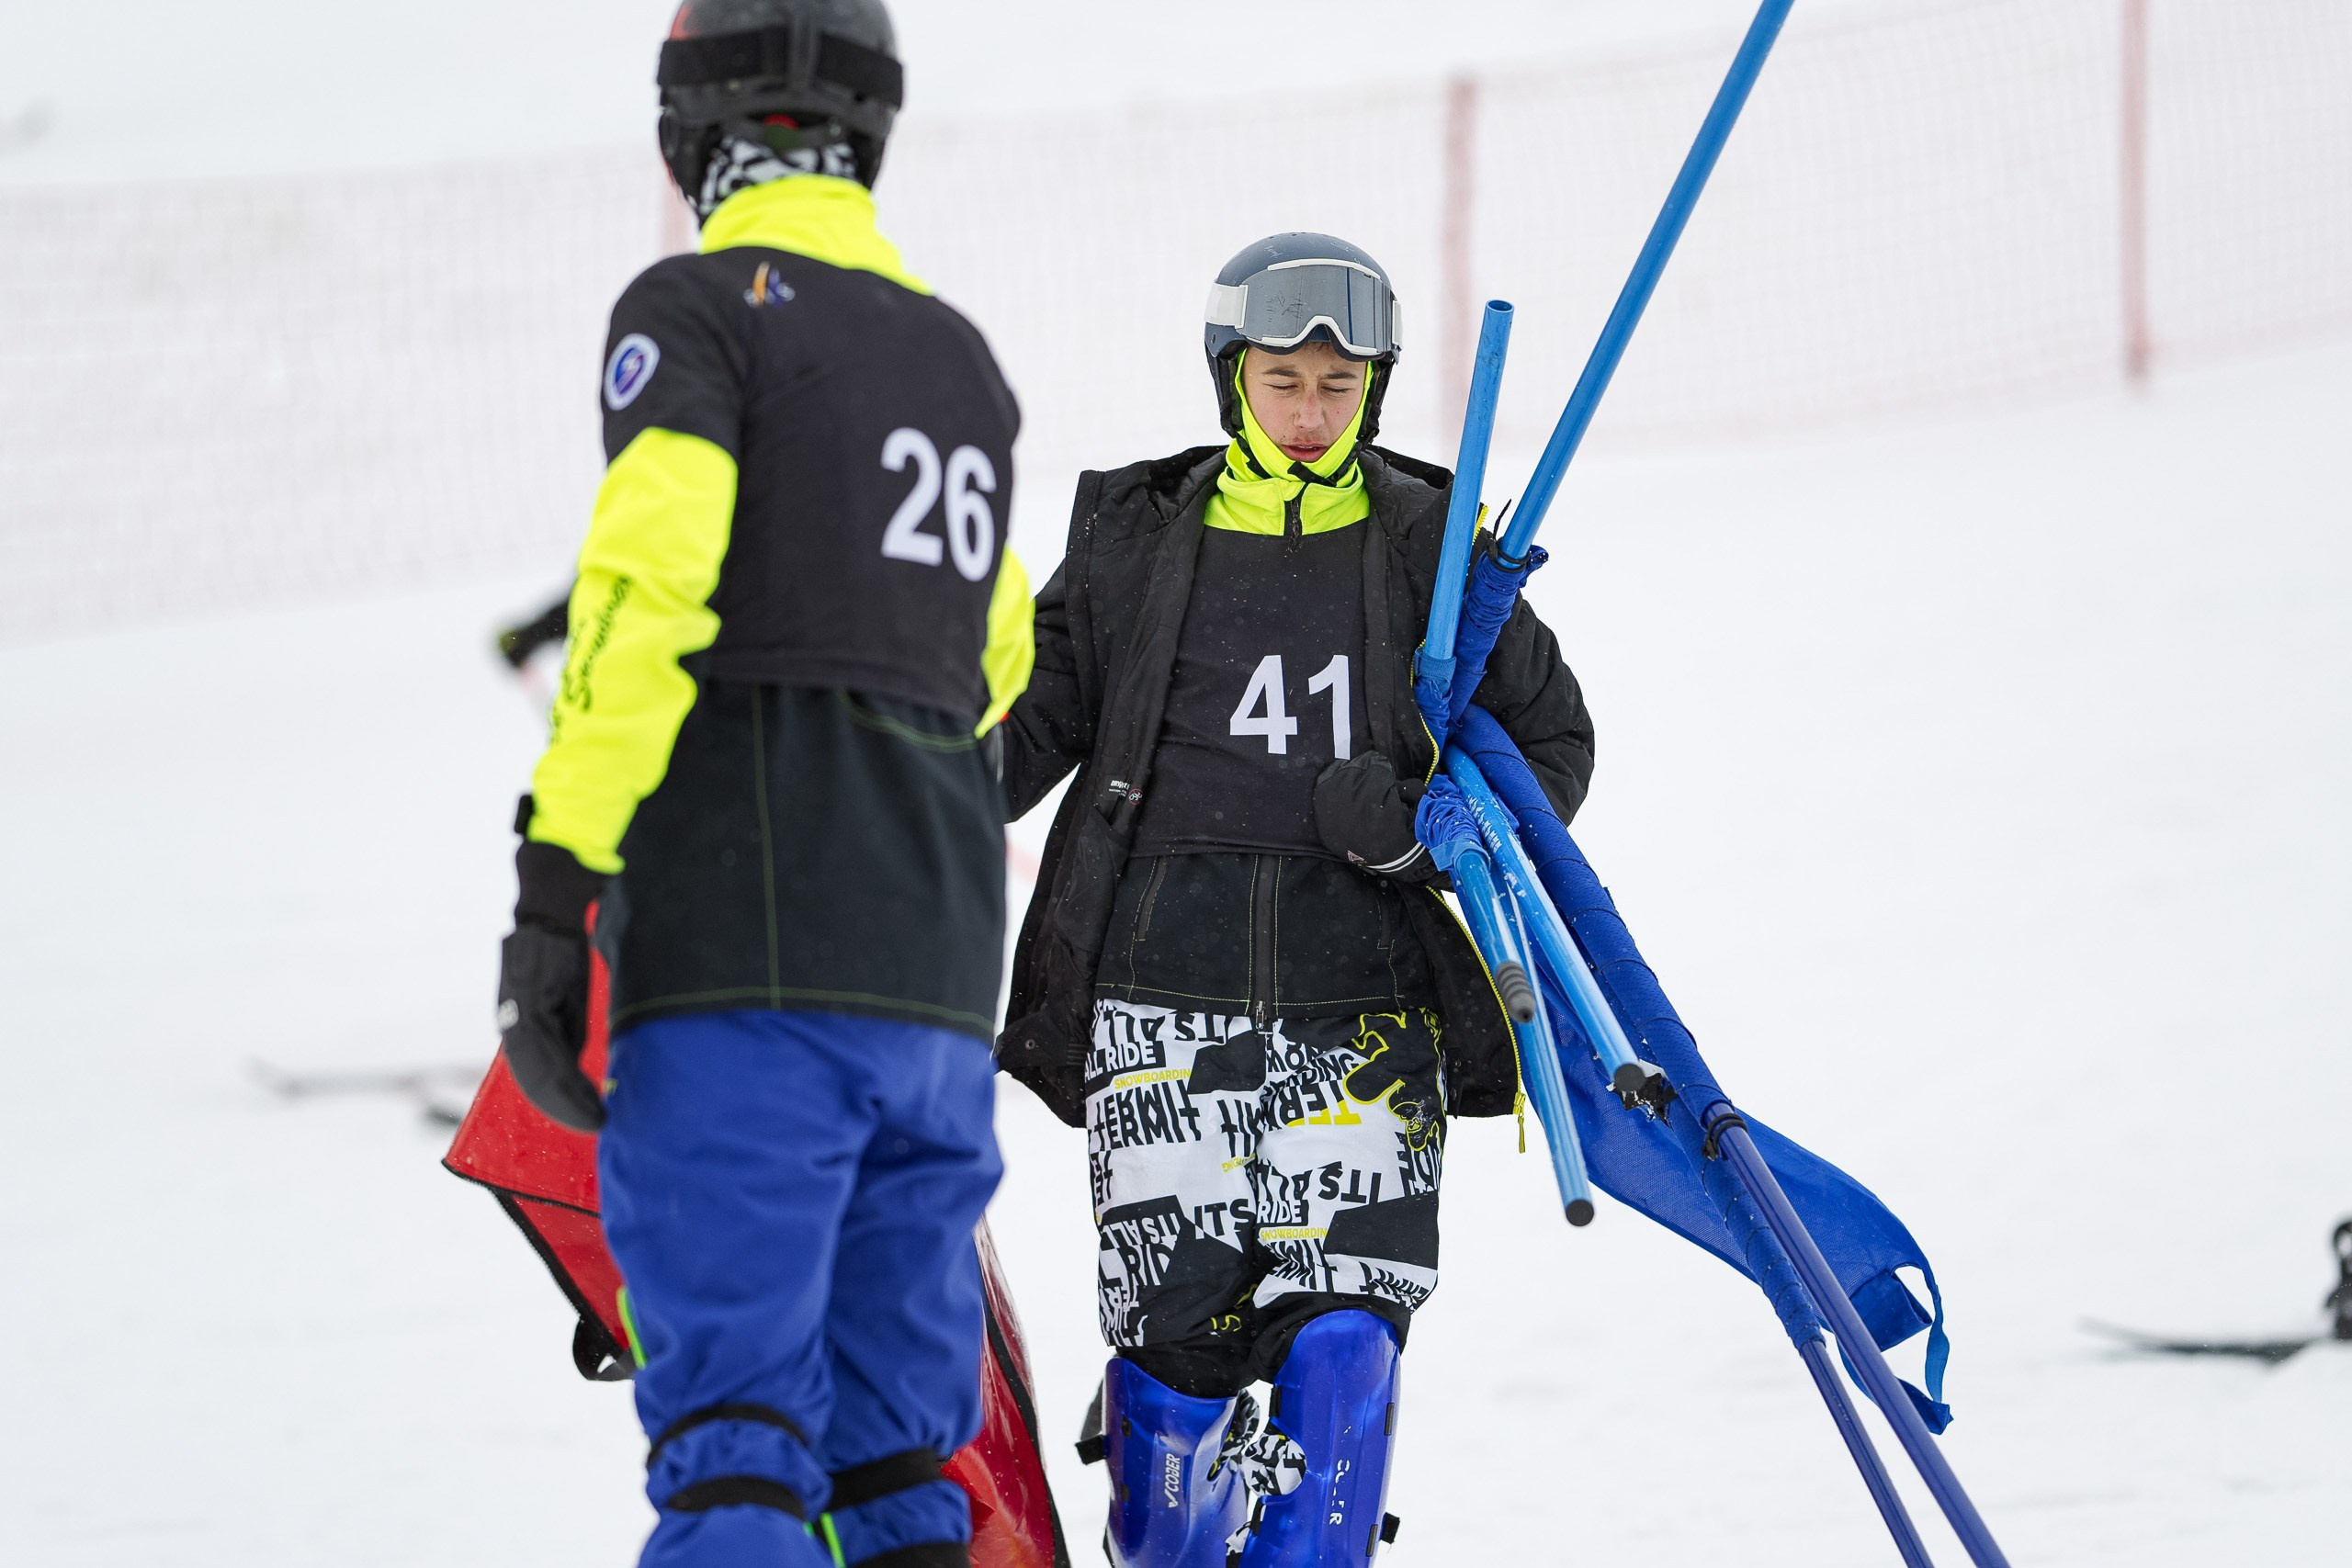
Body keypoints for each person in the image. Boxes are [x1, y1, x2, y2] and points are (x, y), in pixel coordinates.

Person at [491, 3, 1034, 1565]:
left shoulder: (701, 307)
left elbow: (643, 598)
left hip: (745, 964)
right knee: (895, 1468)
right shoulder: (959, 360)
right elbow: (988, 655)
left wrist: (555, 880)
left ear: (690, 130)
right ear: (873, 126)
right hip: (932, 980)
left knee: (736, 1455)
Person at [996, 234, 1596, 1565]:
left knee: (1342, 1346)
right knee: (1176, 1367)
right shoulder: (1136, 538)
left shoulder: (1434, 547)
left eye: (1338, 385)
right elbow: (1019, 738)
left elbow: (1556, 750)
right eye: (1283, 381)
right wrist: (884, 788)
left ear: (1373, 386)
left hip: (1364, 1024)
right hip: (1160, 1015)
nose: (1311, 412)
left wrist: (1423, 828)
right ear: (1231, 377)